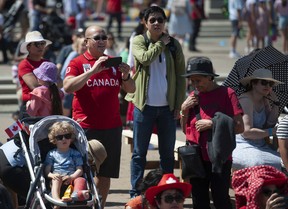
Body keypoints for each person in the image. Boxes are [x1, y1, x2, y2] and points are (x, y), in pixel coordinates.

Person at [63, 25, 135, 208]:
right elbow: (68, 87)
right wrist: (92, 71)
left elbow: (131, 90)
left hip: (112, 126)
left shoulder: (113, 63)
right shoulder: (78, 63)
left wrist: (126, 75)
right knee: (82, 172)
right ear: (87, 42)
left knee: (106, 174)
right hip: (86, 127)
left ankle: (99, 206)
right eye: (97, 37)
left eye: (104, 37)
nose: (102, 40)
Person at [124, 6, 186, 198]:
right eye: (153, 20)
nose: (157, 23)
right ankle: (135, 192)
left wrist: (178, 105)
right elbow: (144, 58)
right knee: (138, 154)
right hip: (144, 106)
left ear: (165, 22)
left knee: (167, 154)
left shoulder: (174, 44)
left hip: (167, 109)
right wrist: (160, 44)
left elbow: (181, 76)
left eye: (160, 19)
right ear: (145, 23)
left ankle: (166, 189)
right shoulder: (139, 41)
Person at [180, 56, 244, 209]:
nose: (195, 84)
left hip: (220, 157)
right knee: (199, 200)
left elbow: (240, 127)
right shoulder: (192, 97)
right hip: (196, 158)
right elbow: (186, 131)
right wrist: (183, 110)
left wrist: (213, 123)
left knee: (221, 199)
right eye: (192, 80)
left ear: (210, 77)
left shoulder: (227, 94)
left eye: (198, 80)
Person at [232, 68, 282, 171]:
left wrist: (276, 103)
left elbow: (269, 123)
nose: (268, 86)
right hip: (243, 145)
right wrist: (272, 132)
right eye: (264, 82)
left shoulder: (264, 99)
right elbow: (247, 132)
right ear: (253, 84)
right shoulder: (246, 100)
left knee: (283, 162)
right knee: (260, 163)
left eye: (270, 84)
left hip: (260, 145)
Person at [44, 121, 89, 205]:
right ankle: (57, 200)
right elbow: (47, 171)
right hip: (58, 177)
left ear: (71, 138)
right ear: (54, 140)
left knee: (81, 179)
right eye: (60, 137)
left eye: (67, 136)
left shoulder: (75, 153)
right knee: (56, 180)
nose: (64, 139)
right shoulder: (51, 154)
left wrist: (71, 177)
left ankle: (76, 194)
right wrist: (52, 175)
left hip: (72, 177)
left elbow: (80, 170)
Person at [18, 30, 52, 119]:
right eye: (37, 44)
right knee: (19, 132)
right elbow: (35, 87)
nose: (41, 46)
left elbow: (59, 82)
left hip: (47, 105)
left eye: (42, 43)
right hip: (30, 105)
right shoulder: (24, 64)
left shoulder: (47, 63)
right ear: (28, 47)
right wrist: (52, 83)